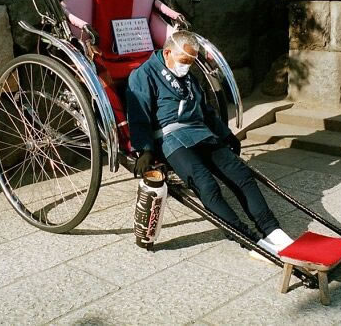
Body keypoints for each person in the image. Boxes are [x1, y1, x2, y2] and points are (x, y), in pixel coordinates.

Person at [125, 30, 294, 257]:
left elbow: (206, 110)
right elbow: (139, 116)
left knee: (241, 174)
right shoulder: (143, 75)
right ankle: (247, 236)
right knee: (207, 185)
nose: (187, 67)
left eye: (191, 62)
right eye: (184, 61)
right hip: (170, 138)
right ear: (167, 53)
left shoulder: (189, 77)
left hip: (201, 133)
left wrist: (225, 134)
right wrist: (144, 150)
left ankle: (271, 229)